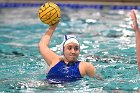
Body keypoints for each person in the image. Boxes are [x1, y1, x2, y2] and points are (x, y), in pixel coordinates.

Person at [38, 10, 140, 84]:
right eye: (69, 48)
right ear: (63, 50)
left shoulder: (85, 66)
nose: (73, 51)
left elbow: (102, 82)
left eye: (76, 48)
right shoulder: (54, 60)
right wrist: (53, 27)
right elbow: (42, 45)